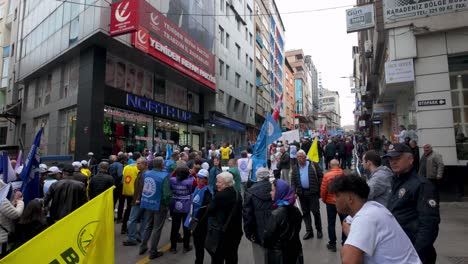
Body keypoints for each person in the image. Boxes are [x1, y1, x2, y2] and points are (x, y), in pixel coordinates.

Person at [328, 174, 421, 264]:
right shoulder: (374, 207)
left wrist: (350, 237)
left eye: (337, 195)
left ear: (350, 199)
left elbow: (348, 260)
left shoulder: (365, 218)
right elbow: (346, 223)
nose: (334, 200)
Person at [385, 143, 440, 263]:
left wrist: (415, 255)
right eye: (390, 159)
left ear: (410, 159)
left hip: (415, 253)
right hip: (399, 250)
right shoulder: (396, 182)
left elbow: (429, 225)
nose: (393, 162)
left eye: (397, 158)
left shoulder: (422, 185)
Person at [206, 172, 243, 263]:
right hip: (235, 231)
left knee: (217, 257)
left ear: (226, 183)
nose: (216, 184)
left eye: (219, 182)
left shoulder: (220, 196)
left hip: (222, 232)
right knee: (232, 256)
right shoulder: (237, 194)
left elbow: (209, 211)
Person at [263, 179, 303, 264]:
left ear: (280, 192)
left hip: (280, 255)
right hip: (294, 251)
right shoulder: (296, 210)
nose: (271, 192)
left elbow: (267, 237)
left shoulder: (276, 214)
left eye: (273, 190)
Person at [139, 157, 171, 259]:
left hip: (148, 202)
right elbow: (166, 194)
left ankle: (143, 246)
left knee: (148, 225)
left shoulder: (146, 173)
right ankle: (153, 251)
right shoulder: (164, 176)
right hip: (159, 205)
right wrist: (167, 205)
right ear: (161, 165)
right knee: (157, 228)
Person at [243, 168, 273, 264]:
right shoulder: (275, 188)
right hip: (274, 228)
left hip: (257, 230)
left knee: (260, 257)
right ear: (268, 176)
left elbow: (247, 215)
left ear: (257, 177)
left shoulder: (249, 191)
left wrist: (249, 233)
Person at [291, 150, 323, 240]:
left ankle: (319, 230)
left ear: (305, 157)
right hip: (302, 193)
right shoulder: (295, 167)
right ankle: (309, 231)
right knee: (305, 213)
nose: (299, 159)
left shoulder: (313, 165)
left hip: (313, 193)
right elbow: (293, 181)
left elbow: (321, 176)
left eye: (300, 157)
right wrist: (293, 192)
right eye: (297, 157)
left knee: (316, 212)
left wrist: (319, 188)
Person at [320, 159, 346, 252]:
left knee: (331, 223)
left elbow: (323, 190)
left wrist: (324, 199)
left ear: (330, 165)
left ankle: (332, 244)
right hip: (342, 202)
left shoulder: (327, 176)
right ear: (338, 165)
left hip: (330, 203)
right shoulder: (344, 174)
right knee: (344, 222)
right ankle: (345, 243)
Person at [189, 169, 214, 264]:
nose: (198, 179)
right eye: (198, 177)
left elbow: (207, 210)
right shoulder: (197, 188)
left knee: (204, 245)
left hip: (202, 224)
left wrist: (198, 222)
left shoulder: (207, 191)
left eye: (201, 178)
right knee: (198, 245)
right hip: (195, 221)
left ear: (206, 180)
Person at [169, 166, 195, 253]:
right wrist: (191, 174)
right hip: (186, 206)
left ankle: (173, 247)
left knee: (174, 227)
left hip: (175, 205)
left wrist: (175, 170)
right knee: (186, 227)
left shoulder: (172, 180)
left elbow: (171, 176)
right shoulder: (190, 181)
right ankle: (186, 246)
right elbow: (194, 182)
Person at [124, 158, 149, 246]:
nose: (137, 165)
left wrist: (138, 199)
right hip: (145, 200)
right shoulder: (143, 173)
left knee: (132, 219)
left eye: (139, 164)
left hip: (139, 201)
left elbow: (142, 188)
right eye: (137, 163)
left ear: (144, 165)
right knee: (144, 219)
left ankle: (132, 238)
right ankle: (140, 236)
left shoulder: (143, 174)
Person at [0, 183, 24, 256]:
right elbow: (15, 214)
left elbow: (5, 211)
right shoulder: (1, 200)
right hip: (2, 238)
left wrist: (12, 203)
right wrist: (20, 202)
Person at [120, 153, 141, 234]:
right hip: (135, 192)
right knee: (134, 211)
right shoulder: (137, 168)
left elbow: (123, 179)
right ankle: (132, 229)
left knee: (128, 209)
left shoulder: (126, 167)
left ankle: (124, 226)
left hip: (126, 191)